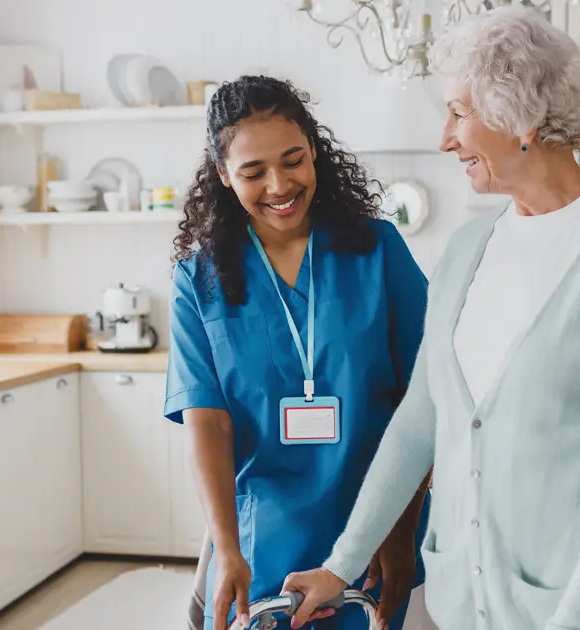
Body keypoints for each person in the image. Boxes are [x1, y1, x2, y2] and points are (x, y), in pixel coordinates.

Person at [282, 5, 580, 630]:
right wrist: (342, 564)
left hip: (569, 607)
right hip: (460, 599)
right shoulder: (468, 249)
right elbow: (421, 418)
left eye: (459, 113)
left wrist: (576, 620)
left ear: (516, 113)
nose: (445, 138)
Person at [165, 75, 432, 630]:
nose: (279, 185)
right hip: (263, 543)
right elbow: (207, 425)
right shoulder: (200, 280)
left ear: (315, 151)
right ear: (222, 176)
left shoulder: (378, 250)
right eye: (253, 171)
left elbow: (425, 400)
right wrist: (226, 547)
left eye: (293, 161)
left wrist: (399, 533)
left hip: (375, 529)